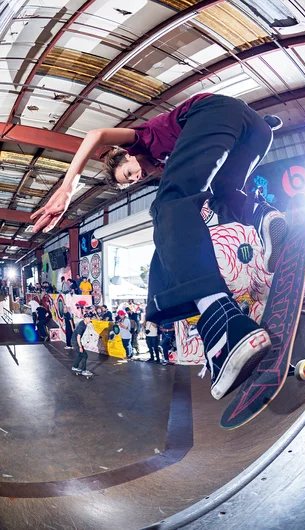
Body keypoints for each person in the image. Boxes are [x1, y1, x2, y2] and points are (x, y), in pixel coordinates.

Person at [30, 94, 286, 400]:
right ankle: (267, 218)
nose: (138, 176)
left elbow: (95, 135)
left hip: (218, 113)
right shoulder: (174, 152)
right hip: (257, 131)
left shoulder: (141, 138)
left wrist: (68, 186)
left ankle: (223, 323)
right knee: (224, 194)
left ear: (126, 155)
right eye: (131, 182)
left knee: (167, 203)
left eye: (128, 173)